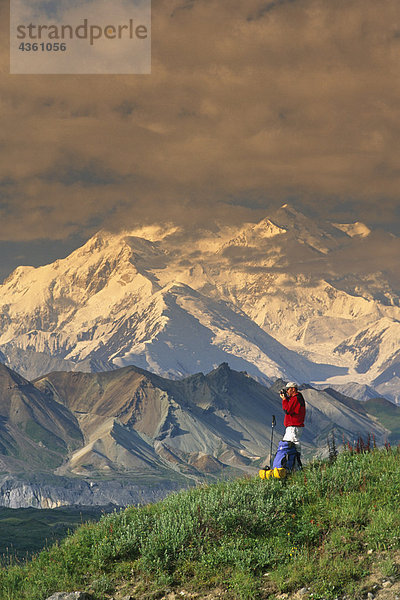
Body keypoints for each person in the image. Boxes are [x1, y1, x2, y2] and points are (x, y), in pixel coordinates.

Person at [279, 382, 306, 454]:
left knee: (291, 445)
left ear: (293, 389)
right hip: (294, 427)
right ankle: (292, 463)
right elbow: (291, 404)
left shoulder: (296, 398)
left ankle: (296, 463)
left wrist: (284, 400)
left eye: (288, 389)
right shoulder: (297, 397)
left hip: (293, 427)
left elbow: (287, 410)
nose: (287, 391)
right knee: (287, 446)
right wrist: (286, 398)